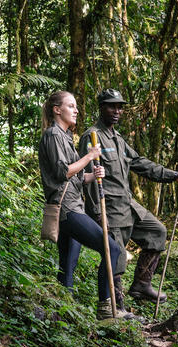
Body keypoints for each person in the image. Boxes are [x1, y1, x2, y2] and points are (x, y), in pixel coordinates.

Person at [78, 88, 178, 311]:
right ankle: (117, 309)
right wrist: (96, 213)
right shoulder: (92, 136)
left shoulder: (118, 138)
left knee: (156, 231)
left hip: (128, 204)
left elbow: (140, 163)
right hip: (109, 207)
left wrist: (174, 176)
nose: (117, 111)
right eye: (112, 106)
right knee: (117, 257)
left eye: (120, 107)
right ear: (101, 107)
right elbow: (89, 176)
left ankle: (142, 284)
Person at [38, 90, 136, 320]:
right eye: (71, 106)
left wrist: (91, 176)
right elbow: (63, 172)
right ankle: (105, 307)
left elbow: (73, 176)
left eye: (76, 106)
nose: (76, 110)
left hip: (72, 204)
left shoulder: (63, 136)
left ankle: (62, 315)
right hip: (67, 209)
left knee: (68, 264)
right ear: (57, 110)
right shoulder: (53, 135)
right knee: (111, 248)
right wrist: (90, 157)